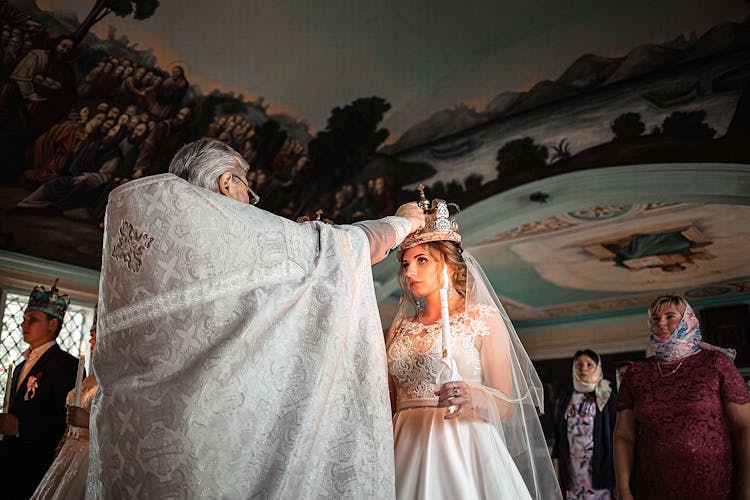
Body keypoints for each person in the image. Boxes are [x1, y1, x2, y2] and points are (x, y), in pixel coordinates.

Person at [88, 138, 425, 498]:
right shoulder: (231, 233)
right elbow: (334, 249)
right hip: (209, 446)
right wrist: (400, 223)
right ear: (227, 182)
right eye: (248, 190)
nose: (249, 202)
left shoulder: (149, 246)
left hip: (134, 441)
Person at [386, 190, 560, 499]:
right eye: (406, 263)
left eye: (422, 260)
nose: (410, 271)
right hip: (402, 448)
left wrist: (474, 395)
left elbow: (507, 405)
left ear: (450, 264)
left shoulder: (483, 319)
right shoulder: (399, 327)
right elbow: (385, 401)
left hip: (461, 447)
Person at [614, 295, 750, 500]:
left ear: (687, 320)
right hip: (654, 487)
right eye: (655, 318)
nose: (661, 322)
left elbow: (745, 426)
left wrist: (747, 485)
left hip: (714, 485)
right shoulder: (636, 373)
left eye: (670, 316)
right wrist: (623, 490)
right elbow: (624, 435)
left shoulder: (716, 363)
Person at [0, 282, 79, 500]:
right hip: (7, 466)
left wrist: (19, 426)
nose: (23, 324)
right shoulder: (18, 367)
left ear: (53, 323)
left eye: (32, 319)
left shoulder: (66, 365)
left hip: (35, 469)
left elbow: (65, 422)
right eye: (24, 318)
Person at [31, 319, 98, 500]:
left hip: (89, 459)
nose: (91, 341)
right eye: (91, 335)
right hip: (68, 453)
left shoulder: (115, 382)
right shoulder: (89, 379)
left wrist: (89, 421)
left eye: (96, 335)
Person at [551, 349, 616, 499]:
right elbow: (558, 443)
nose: (583, 369)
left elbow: (617, 440)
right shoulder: (565, 399)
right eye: (579, 365)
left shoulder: (607, 396)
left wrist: (619, 482)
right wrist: (559, 482)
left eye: (589, 365)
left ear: (598, 368)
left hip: (601, 476)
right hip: (572, 476)